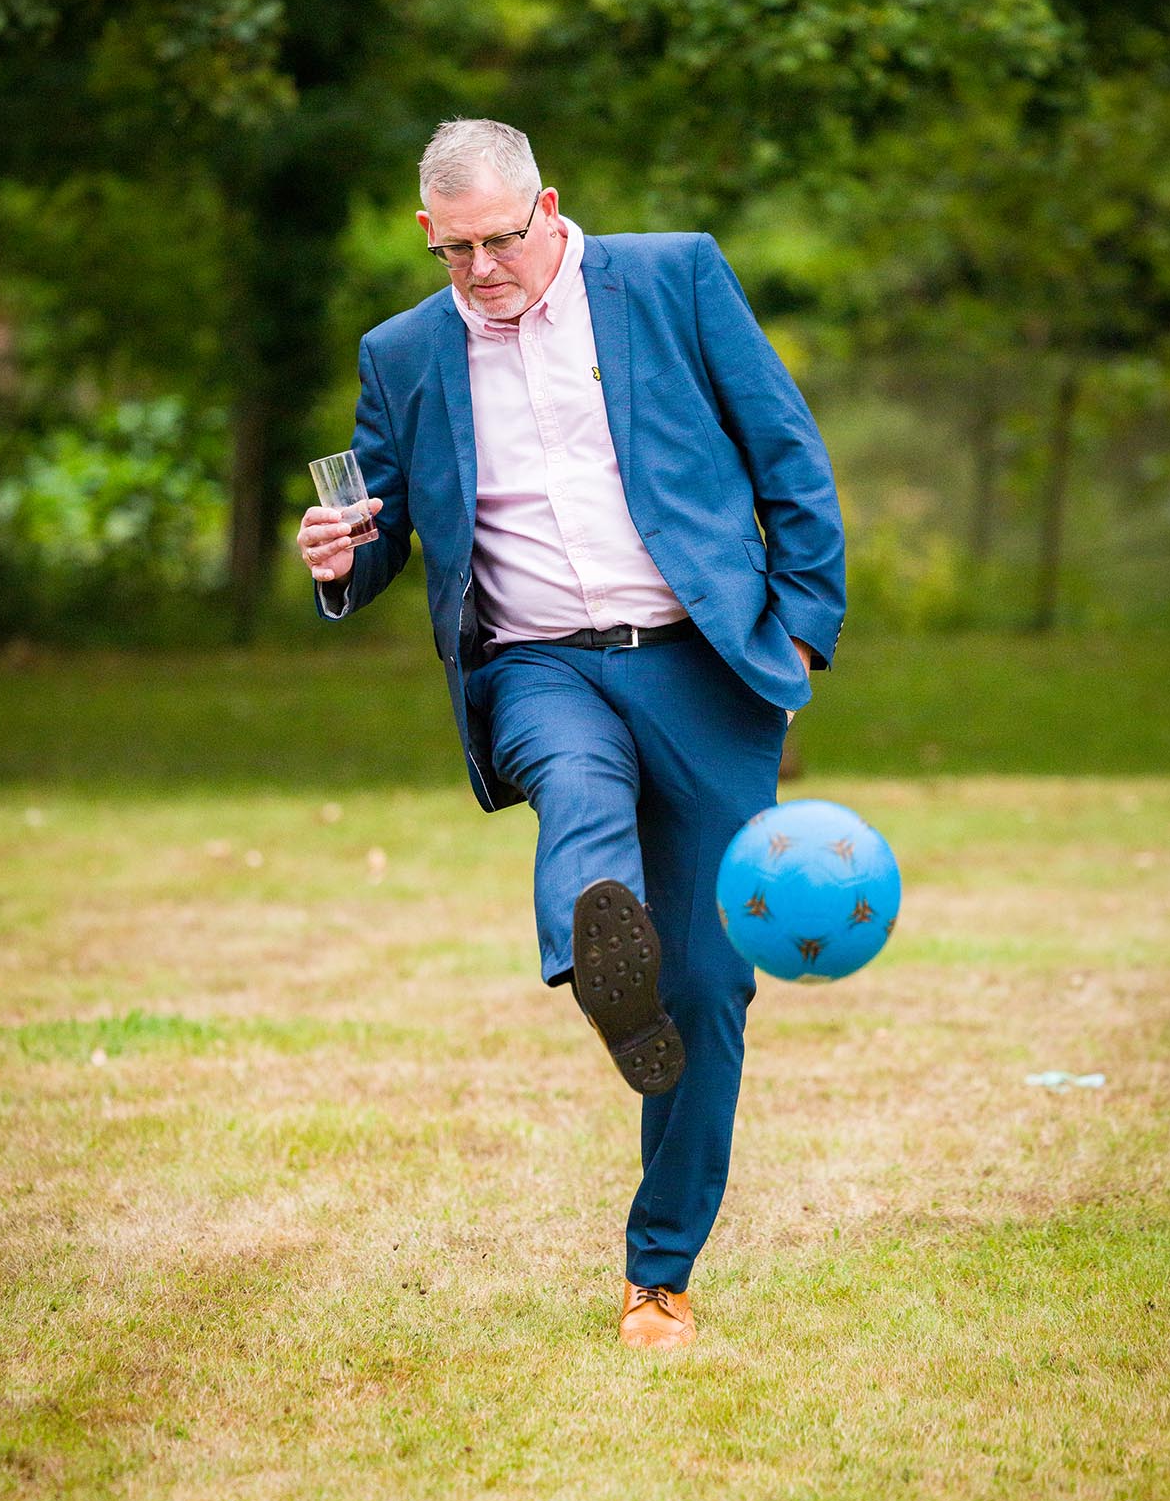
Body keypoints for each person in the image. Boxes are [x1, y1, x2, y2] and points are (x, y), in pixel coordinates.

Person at [297, 119, 844, 1350]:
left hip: (703, 667)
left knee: (709, 988)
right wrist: (342, 555)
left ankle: (660, 1273)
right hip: (538, 663)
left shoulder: (670, 276)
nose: (484, 270)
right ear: (427, 236)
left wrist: (801, 633)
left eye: (502, 240)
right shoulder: (405, 354)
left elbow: (786, 454)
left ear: (545, 207)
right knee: (578, 795)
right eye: (458, 251)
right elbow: (384, 524)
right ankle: (603, 975)